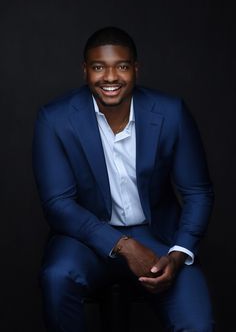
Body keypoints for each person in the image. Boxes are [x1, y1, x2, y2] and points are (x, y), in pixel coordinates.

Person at [32, 27, 215, 331]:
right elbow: (58, 204)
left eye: (122, 66)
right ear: (85, 70)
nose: (111, 77)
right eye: (99, 67)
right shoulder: (54, 119)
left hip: (159, 239)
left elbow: (198, 192)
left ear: (136, 69)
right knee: (57, 277)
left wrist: (179, 253)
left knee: (197, 324)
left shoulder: (171, 113)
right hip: (85, 240)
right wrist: (123, 245)